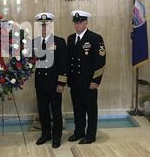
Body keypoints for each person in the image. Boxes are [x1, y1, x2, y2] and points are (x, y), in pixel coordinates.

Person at [67, 11, 106, 144]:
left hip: (89, 83)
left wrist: (96, 81)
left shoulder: (95, 38)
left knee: (91, 110)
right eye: (75, 23)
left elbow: (100, 61)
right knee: (78, 109)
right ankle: (79, 132)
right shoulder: (71, 38)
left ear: (86, 22)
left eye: (80, 22)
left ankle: (90, 135)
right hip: (75, 82)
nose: (77, 25)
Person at [33, 13, 67, 148]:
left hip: (54, 84)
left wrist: (61, 83)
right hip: (40, 83)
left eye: (46, 25)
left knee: (56, 111)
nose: (44, 27)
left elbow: (64, 64)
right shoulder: (34, 42)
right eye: (42, 25)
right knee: (42, 110)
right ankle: (46, 134)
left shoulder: (59, 41)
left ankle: (57, 137)